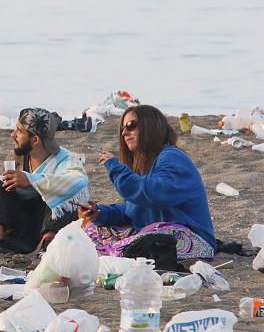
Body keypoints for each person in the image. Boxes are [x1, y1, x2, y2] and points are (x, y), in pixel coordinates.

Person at [79, 104, 216, 260]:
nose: (124, 133)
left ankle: (113, 254)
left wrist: (117, 169)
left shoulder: (172, 158)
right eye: (122, 128)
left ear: (150, 127)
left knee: (148, 240)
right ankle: (110, 253)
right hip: (151, 232)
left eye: (131, 126)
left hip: (191, 238)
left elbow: (153, 194)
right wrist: (99, 212)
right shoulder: (145, 164)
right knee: (91, 231)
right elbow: (131, 209)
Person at [0, 108, 90, 254]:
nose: (12, 135)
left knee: (62, 195)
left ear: (35, 140)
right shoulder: (20, 155)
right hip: (23, 220)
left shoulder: (67, 160)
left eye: (19, 131)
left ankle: (44, 245)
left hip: (47, 222)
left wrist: (31, 180)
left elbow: (79, 182)